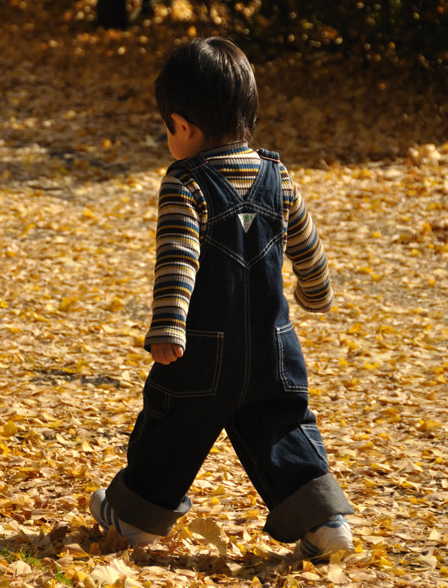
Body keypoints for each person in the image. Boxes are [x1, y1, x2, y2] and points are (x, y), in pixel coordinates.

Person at [89, 37, 354, 561]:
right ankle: (324, 523)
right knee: (283, 426)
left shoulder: (185, 184)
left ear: (183, 126)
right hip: (274, 347)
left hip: (203, 353)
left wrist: (168, 325)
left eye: (168, 127)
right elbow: (306, 240)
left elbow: (178, 259)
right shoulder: (277, 177)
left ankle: (137, 517)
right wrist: (316, 289)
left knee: (172, 426)